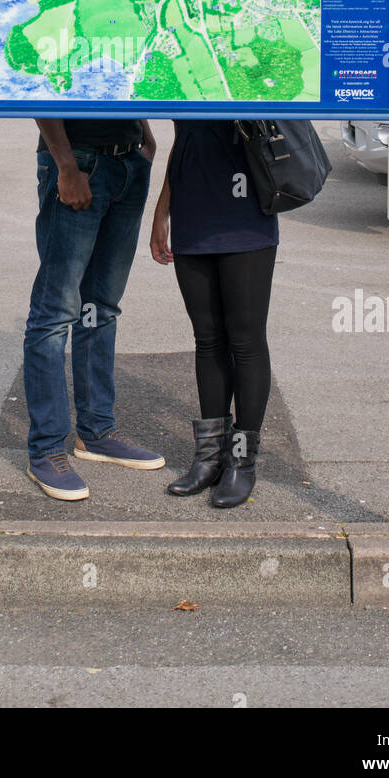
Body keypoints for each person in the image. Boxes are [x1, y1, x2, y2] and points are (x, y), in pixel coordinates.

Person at [23, 116, 165, 501]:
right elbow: (41, 85)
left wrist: (144, 138)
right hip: (79, 162)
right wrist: (66, 165)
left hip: (128, 163)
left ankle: (97, 433)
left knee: (100, 308)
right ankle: (47, 449)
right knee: (53, 314)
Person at [149, 120, 279, 509]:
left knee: (246, 340)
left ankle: (241, 460)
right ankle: (208, 458)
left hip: (246, 213)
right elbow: (184, 137)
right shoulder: (182, 63)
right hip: (193, 211)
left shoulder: (248, 62)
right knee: (207, 339)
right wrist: (163, 208)